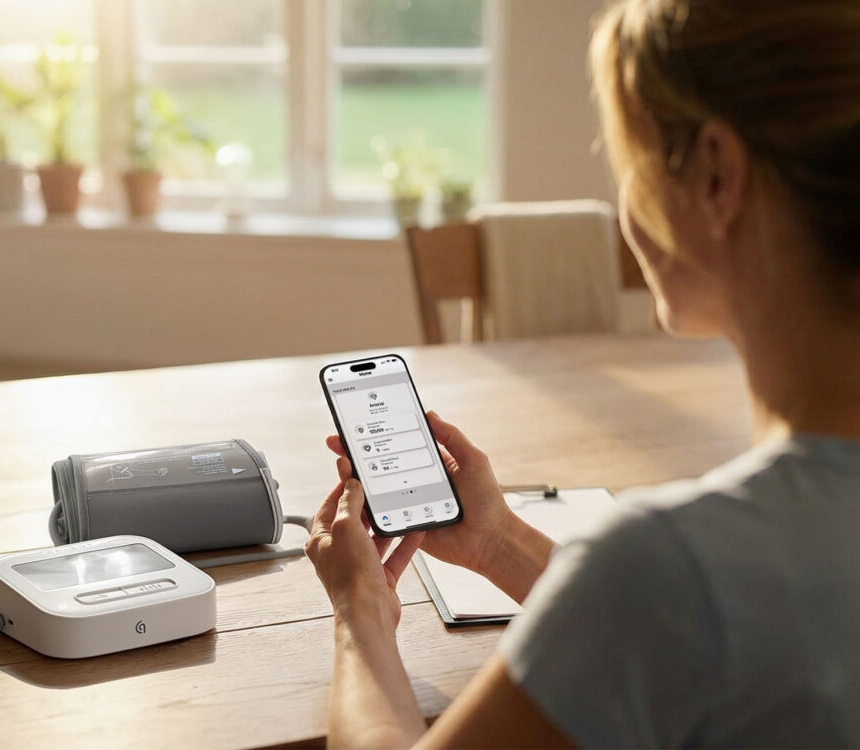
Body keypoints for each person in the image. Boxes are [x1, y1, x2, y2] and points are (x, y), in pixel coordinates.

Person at [305, 0, 860, 745]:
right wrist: (498, 542)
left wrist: (359, 614)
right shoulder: (702, 576)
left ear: (717, 176)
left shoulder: (674, 563)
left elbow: (673, 603)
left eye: (629, 164)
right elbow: (683, 635)